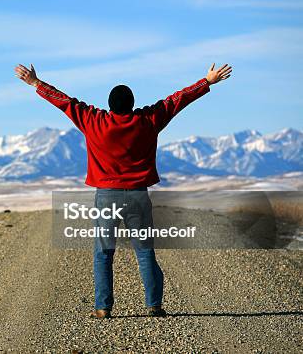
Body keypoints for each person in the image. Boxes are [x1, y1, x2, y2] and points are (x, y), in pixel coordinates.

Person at [14, 63, 233, 319]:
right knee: (144, 251)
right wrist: (206, 81)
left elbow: (65, 102)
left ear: (109, 105)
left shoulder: (93, 120)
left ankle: (103, 307)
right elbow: (177, 100)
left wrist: (35, 83)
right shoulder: (148, 120)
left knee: (103, 253)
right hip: (138, 195)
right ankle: (154, 305)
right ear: (132, 104)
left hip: (106, 196)